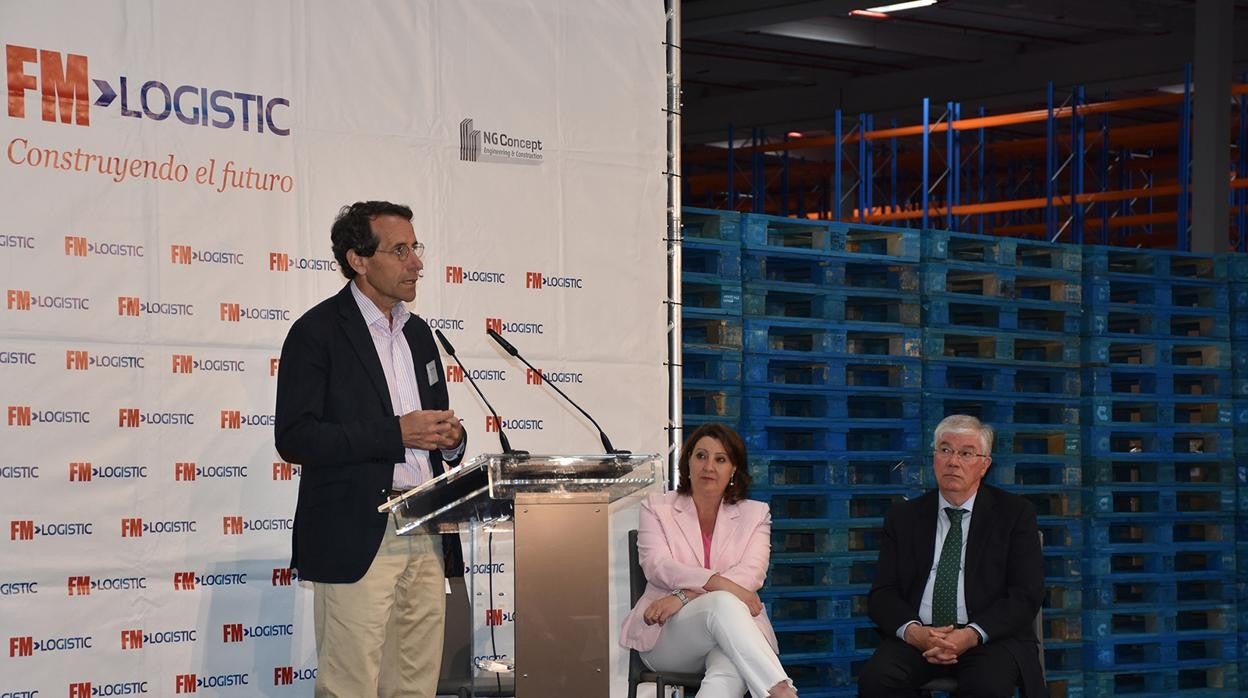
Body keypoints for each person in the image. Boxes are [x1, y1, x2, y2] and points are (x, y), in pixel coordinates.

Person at [275, 200, 467, 698]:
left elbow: (431, 428)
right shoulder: (317, 332)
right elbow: (295, 437)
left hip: (424, 530)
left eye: (415, 247)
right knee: (351, 686)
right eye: (400, 250)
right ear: (358, 260)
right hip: (357, 530)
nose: (416, 263)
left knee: (415, 684)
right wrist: (396, 433)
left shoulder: (421, 335)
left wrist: (451, 440)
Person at [858, 414, 1044, 698]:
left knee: (986, 688)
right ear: (934, 458)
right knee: (877, 680)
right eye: (945, 450)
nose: (953, 461)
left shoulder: (1014, 514)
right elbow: (883, 593)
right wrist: (915, 633)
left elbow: (1025, 594)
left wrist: (969, 635)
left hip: (987, 637)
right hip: (921, 637)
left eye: (966, 453)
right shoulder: (903, 517)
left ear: (984, 465)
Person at [621, 423, 797, 698]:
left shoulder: (756, 514)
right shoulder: (657, 507)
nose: (709, 466)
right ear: (687, 461)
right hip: (666, 636)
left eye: (720, 459)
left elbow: (751, 575)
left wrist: (684, 596)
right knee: (725, 601)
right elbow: (658, 566)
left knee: (731, 666)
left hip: (731, 633)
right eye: (701, 456)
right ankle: (780, 690)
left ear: (734, 469)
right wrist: (718, 583)